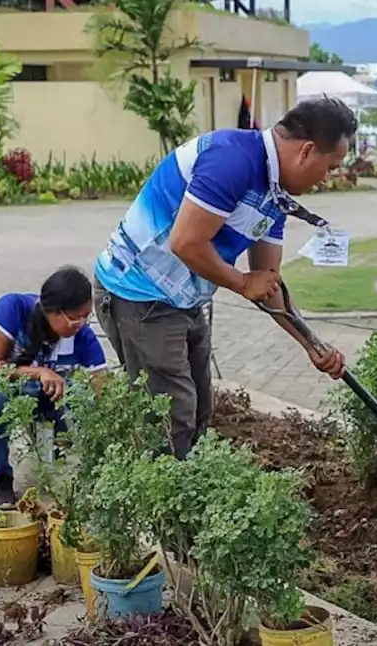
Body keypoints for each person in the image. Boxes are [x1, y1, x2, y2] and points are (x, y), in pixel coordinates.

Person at [93, 97, 355, 459]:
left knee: (199, 408)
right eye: (331, 166)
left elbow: (267, 283)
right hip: (137, 293)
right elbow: (185, 242)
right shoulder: (231, 159)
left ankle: (185, 493)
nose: (327, 178)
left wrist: (312, 344)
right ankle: (163, 510)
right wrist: (243, 283)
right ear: (307, 151)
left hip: (183, 297)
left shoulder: (274, 193)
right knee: (170, 416)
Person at [0, 266, 108, 506]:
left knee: (81, 394)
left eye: (87, 316)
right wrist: (40, 372)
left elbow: (103, 388)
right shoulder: (12, 309)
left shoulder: (83, 336)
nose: (82, 324)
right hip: (1, 395)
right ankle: (0, 474)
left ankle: (60, 458)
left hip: (46, 399)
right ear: (54, 312)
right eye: (76, 318)